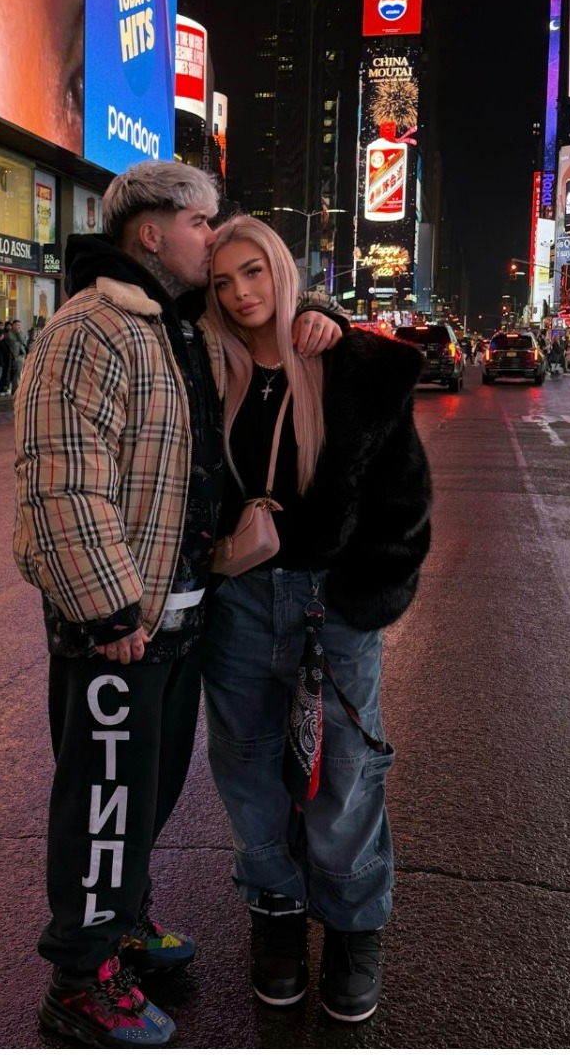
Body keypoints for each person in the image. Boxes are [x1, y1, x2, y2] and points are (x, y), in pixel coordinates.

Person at [15, 160, 340, 1047]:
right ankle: (79, 986)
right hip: (117, 627)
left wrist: (323, 315)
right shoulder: (91, 329)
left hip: (176, 613)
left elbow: (271, 322)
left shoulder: (174, 326)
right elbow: (61, 484)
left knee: (144, 795)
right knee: (104, 803)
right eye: (203, 224)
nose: (217, 237)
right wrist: (109, 612)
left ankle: (121, 926)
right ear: (152, 232)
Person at [200, 216, 430, 1023]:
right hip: (236, 603)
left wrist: (365, 602)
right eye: (223, 281)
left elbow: (404, 501)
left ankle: (354, 931)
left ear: (282, 271)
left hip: (330, 605)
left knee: (344, 779)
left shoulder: (346, 364)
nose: (240, 293)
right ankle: (275, 920)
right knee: (249, 772)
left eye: (253, 272)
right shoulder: (205, 365)